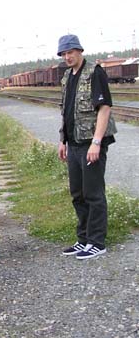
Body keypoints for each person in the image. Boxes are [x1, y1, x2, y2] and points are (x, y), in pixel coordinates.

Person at [57, 34, 117, 260]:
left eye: (70, 52)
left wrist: (97, 142)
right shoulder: (67, 76)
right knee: (77, 194)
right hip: (73, 143)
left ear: (79, 50)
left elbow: (104, 108)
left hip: (91, 144)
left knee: (93, 193)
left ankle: (96, 241)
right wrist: (62, 140)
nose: (67, 56)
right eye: (63, 53)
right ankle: (83, 239)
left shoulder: (95, 73)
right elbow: (66, 111)